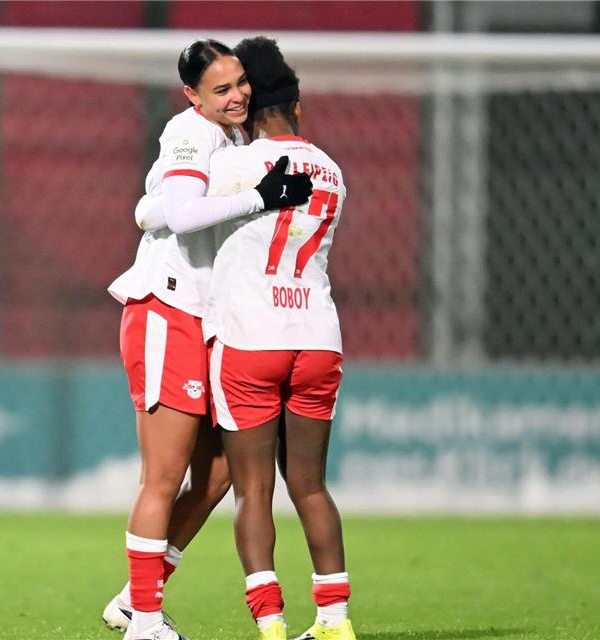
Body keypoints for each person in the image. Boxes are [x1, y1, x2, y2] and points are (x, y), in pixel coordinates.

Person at [106, 38, 313, 640]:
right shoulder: (191, 132)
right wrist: (260, 198)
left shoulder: (232, 140)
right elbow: (185, 211)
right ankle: (144, 622)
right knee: (163, 476)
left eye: (241, 83)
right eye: (221, 89)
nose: (238, 95)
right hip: (167, 311)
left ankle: (133, 597)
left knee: (221, 470)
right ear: (193, 95)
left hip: (207, 318)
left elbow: (161, 209)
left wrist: (153, 208)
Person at [203, 37, 357, 640]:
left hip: (251, 336)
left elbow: (180, 214)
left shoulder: (233, 166)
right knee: (311, 484)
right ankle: (335, 621)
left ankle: (270, 626)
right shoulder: (333, 170)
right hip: (317, 336)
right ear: (298, 106)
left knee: (254, 491)